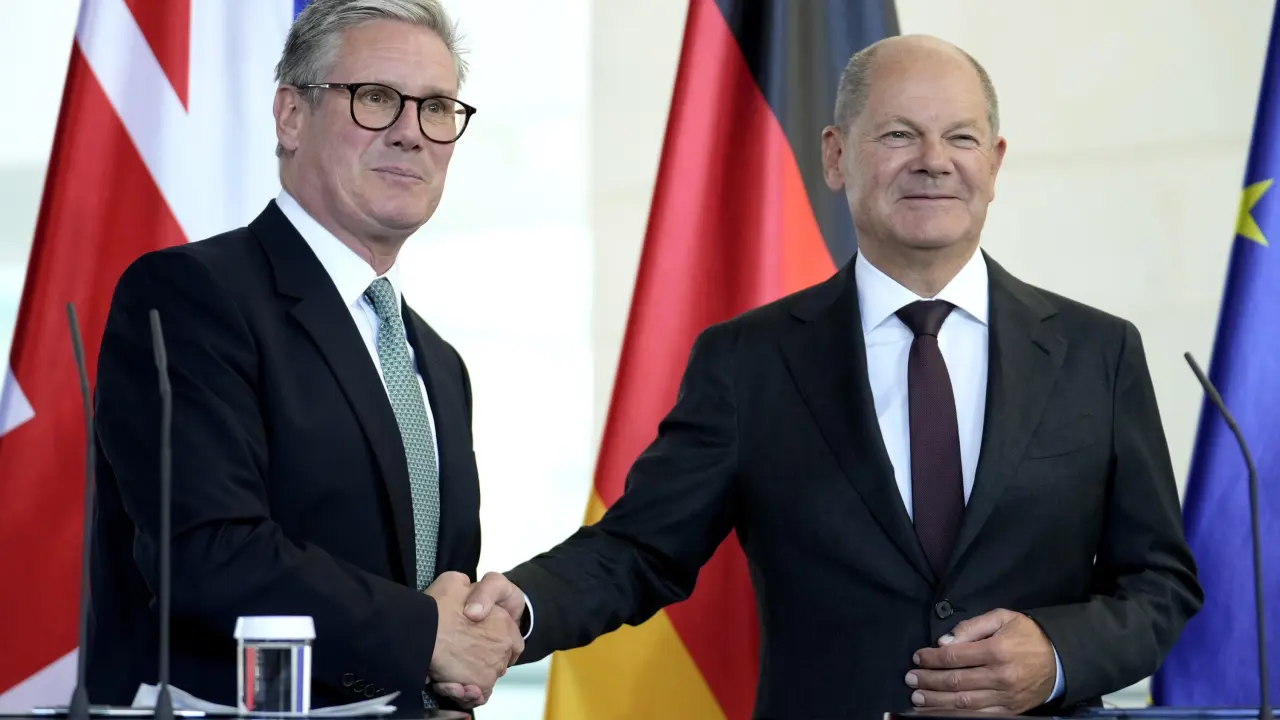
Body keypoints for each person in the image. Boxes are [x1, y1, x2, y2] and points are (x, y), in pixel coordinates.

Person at [447, 34, 1204, 718]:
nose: (934, 159)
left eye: (961, 137)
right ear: (837, 157)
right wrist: (519, 608)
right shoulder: (748, 361)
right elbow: (641, 549)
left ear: (995, 163)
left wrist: (1057, 655)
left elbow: (1159, 584)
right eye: (899, 134)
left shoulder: (1097, 352)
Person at [86, 0, 523, 711]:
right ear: (291, 116)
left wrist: (469, 636)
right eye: (376, 98)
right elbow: (208, 554)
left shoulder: (439, 364)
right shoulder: (190, 294)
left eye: (437, 107)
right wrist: (423, 634)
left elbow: (437, 598)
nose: (412, 132)